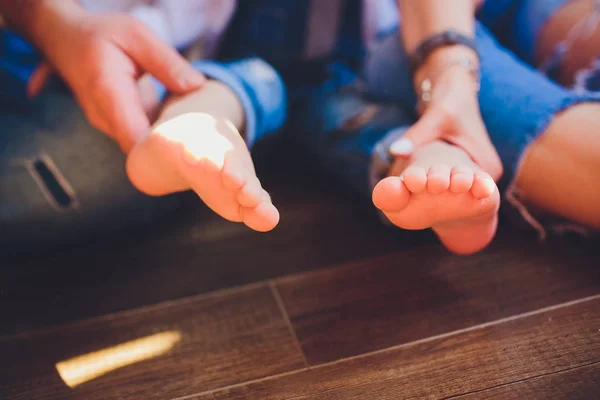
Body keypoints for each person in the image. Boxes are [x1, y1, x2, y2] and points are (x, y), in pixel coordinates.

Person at [0, 0, 283, 255]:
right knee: (106, 158)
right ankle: (198, 118)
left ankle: (200, 115)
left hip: (175, 81)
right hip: (50, 65)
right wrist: (55, 29)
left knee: (263, 79)